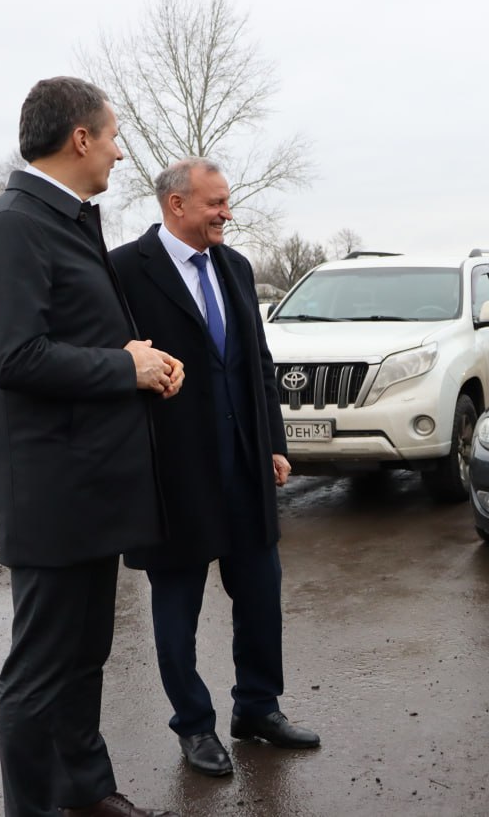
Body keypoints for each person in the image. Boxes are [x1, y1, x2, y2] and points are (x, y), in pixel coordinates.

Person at [0, 77, 183, 817]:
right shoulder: (11, 225)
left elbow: (64, 338)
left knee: (85, 657)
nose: (122, 151)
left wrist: (136, 360)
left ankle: (87, 794)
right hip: (54, 496)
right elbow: (13, 356)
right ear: (79, 138)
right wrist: (124, 365)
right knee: (40, 671)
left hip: (91, 489)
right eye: (114, 134)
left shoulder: (64, 219)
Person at [109, 158, 319, 778]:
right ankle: (194, 726)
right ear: (177, 205)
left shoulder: (234, 266)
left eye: (226, 202)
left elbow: (257, 360)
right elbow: (113, 365)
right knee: (177, 609)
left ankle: (257, 707)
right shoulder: (123, 271)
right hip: (172, 477)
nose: (227, 212)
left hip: (246, 467)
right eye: (215, 203)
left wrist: (274, 441)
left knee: (261, 596)